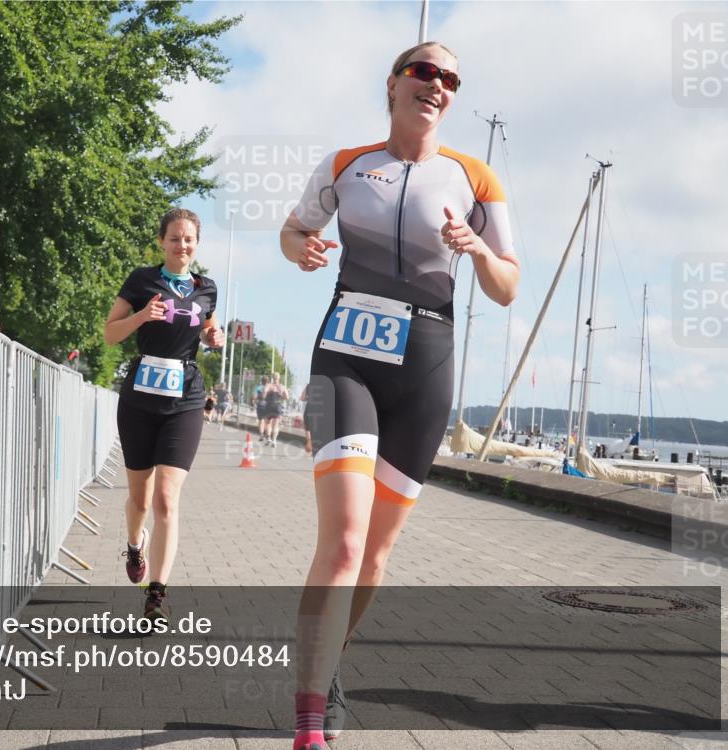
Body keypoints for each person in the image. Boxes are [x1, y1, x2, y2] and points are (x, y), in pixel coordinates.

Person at [279, 41, 520, 749]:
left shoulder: (476, 179)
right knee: (346, 540)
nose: (437, 86)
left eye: (449, 78)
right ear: (393, 84)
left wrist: (476, 252)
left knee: (376, 556)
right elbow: (294, 231)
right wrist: (302, 249)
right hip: (345, 360)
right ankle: (309, 719)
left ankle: (331, 662)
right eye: (425, 72)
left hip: (425, 366)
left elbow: (508, 286)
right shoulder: (348, 165)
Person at [104, 208, 225, 622]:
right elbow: (110, 334)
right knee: (139, 497)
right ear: (161, 241)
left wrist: (215, 335)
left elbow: (209, 327)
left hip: (185, 397)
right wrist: (142, 316)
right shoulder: (142, 280)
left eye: (189, 239)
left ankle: (156, 595)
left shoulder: (207, 287)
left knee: (166, 499)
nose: (182, 245)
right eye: (174, 238)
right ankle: (135, 543)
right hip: (139, 397)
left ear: (196, 243)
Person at [263, 372, 289, 447]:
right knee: (276, 425)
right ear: (279, 378)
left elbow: (264, 393)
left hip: (269, 406)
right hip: (277, 406)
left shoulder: (269, 385)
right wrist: (281, 396)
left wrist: (265, 396)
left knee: (268, 423)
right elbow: (287, 397)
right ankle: (274, 440)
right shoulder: (282, 386)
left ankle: (268, 439)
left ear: (272, 378)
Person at [254, 374, 270, 442]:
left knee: (261, 421)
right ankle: (268, 436)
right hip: (268, 406)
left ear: (261, 380)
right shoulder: (269, 387)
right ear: (268, 381)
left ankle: (261, 435)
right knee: (268, 422)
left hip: (260, 405)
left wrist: (257, 400)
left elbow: (254, 397)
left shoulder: (258, 387)